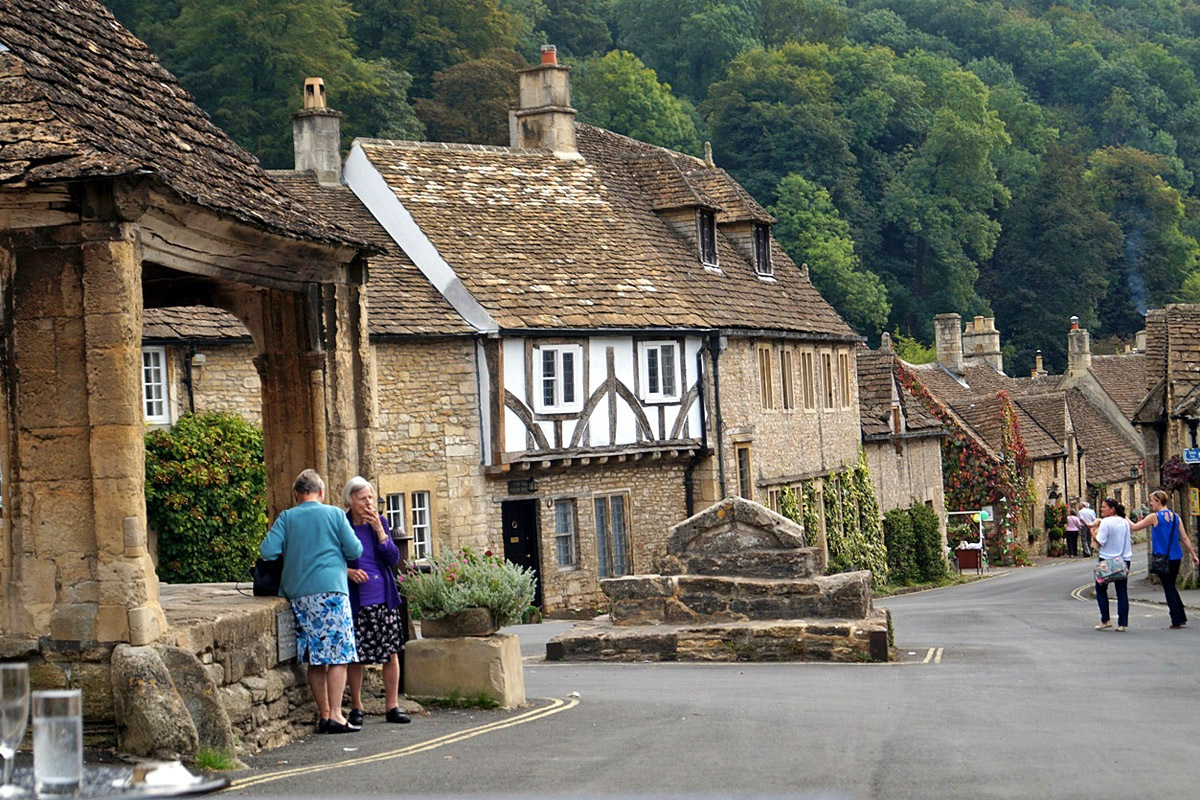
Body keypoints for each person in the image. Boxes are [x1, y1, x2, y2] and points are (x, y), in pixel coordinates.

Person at [260, 469, 363, 734]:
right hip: (331, 591)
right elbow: (355, 550)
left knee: (316, 658)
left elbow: (268, 551)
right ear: (321, 492)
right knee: (339, 656)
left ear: (296, 494)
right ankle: (337, 715)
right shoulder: (335, 514)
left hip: (298, 593)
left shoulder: (287, 517)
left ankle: (324, 714)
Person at [342, 476, 412, 726]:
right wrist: (348, 572)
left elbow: (392, 559)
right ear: (350, 501)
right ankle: (356, 706)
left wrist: (381, 533)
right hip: (356, 601)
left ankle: (392, 706)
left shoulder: (380, 522)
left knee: (391, 653)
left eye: (371, 497)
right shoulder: (343, 525)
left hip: (383, 598)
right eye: (363, 499)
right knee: (355, 656)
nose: (369, 503)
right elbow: (331, 560)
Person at [1129, 489, 1200, 629]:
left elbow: (1135, 527)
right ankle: (1180, 614)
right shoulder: (1175, 517)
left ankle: (1177, 618)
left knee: (1168, 588)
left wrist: (1123, 515)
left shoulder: (1154, 517)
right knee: (1171, 585)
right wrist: (1193, 555)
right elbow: (1184, 537)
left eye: (1152, 501)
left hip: (1162, 557)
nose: (1150, 503)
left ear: (1158, 501)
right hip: (1176, 556)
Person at [1087, 497, 1133, 631]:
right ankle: (1122, 624)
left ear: (1112, 509)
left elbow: (1100, 541)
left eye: (1104, 507)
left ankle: (1105, 620)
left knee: (1101, 590)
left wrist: (1092, 532)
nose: (1101, 509)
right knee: (1122, 591)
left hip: (1106, 560)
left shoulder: (1106, 522)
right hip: (1123, 559)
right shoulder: (1124, 521)